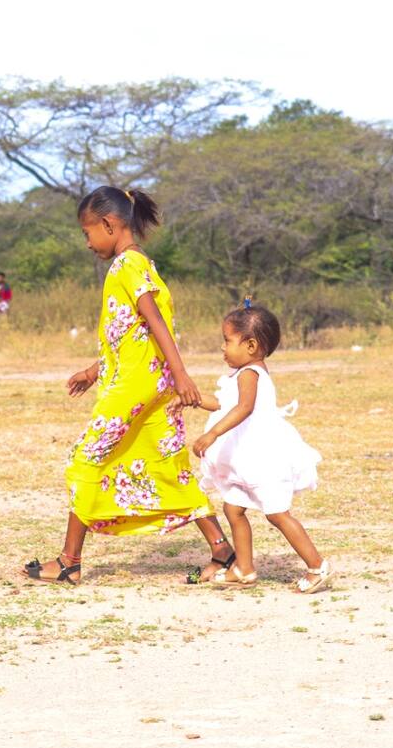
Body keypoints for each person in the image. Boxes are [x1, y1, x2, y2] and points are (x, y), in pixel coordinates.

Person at [21, 186, 235, 584]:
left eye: (87, 232)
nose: (87, 243)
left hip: (135, 388)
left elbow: (155, 320)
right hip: (155, 384)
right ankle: (222, 550)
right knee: (167, 464)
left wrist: (183, 374)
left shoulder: (125, 266)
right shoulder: (143, 263)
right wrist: (94, 371)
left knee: (85, 460)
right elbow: (131, 335)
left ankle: (69, 561)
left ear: (108, 224)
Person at [178, 304, 330, 593]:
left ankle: (317, 566)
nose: (222, 347)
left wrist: (212, 433)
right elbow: (222, 404)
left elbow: (244, 408)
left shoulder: (250, 374)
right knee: (233, 508)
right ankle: (244, 569)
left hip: (263, 459)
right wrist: (191, 399)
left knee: (277, 514)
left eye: (227, 340)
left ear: (250, 346)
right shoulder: (242, 374)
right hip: (247, 459)